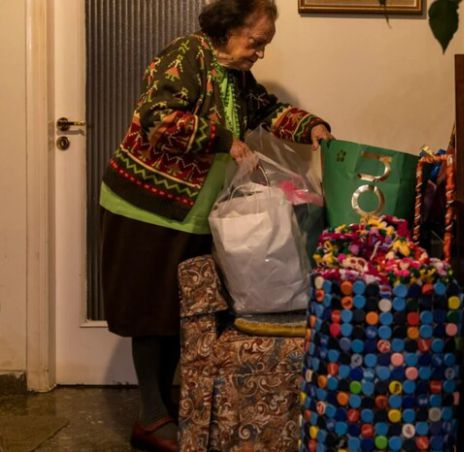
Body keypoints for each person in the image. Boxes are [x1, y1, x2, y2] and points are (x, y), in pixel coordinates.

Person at [98, 1, 333, 450]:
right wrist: (225, 139)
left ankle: (162, 409)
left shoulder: (236, 78)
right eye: (256, 42)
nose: (260, 53)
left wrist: (314, 128)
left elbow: (269, 111)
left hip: (189, 212)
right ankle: (149, 416)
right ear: (228, 29)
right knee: (150, 311)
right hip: (146, 205)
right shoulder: (187, 55)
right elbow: (158, 119)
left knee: (176, 310)